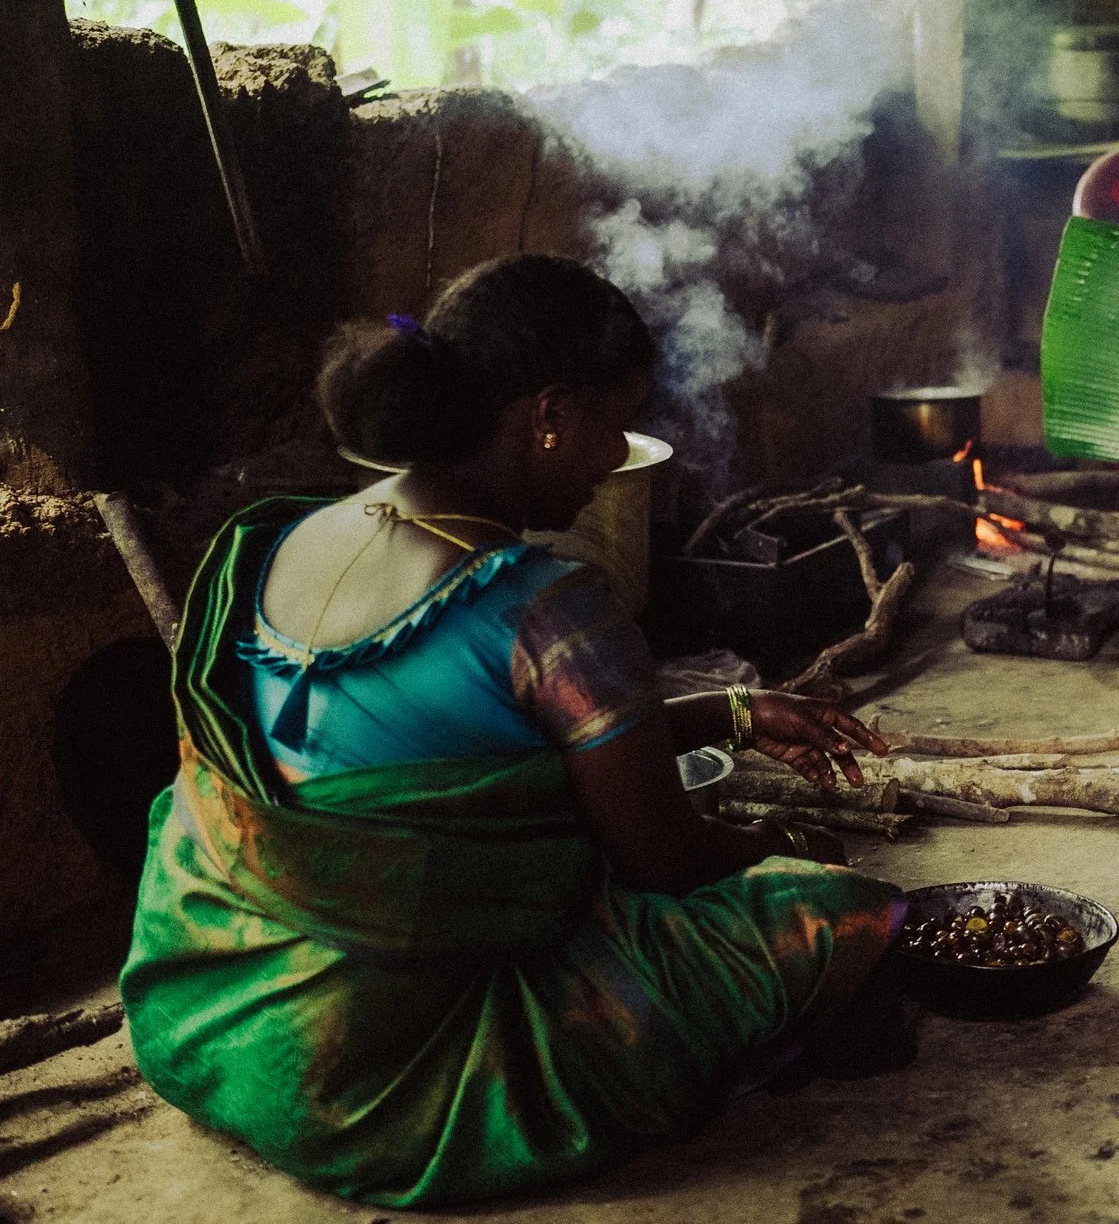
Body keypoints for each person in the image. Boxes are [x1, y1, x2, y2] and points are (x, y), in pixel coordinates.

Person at [121, 256, 908, 1208]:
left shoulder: (288, 533)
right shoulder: (551, 609)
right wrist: (786, 844)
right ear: (549, 416)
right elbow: (658, 859)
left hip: (208, 1011)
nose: (618, 455)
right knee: (842, 913)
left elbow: (447, 746)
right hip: (387, 1073)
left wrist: (731, 711)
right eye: (614, 423)